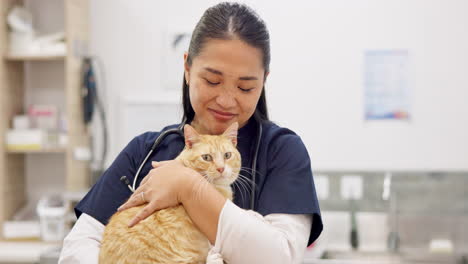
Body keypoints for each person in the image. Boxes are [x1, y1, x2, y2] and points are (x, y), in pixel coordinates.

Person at [59, 2, 323, 263]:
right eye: (212, 81)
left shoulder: (282, 151)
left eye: (245, 88)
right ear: (187, 68)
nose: (227, 101)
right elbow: (76, 249)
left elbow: (279, 257)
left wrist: (188, 186)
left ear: (263, 81)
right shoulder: (146, 151)